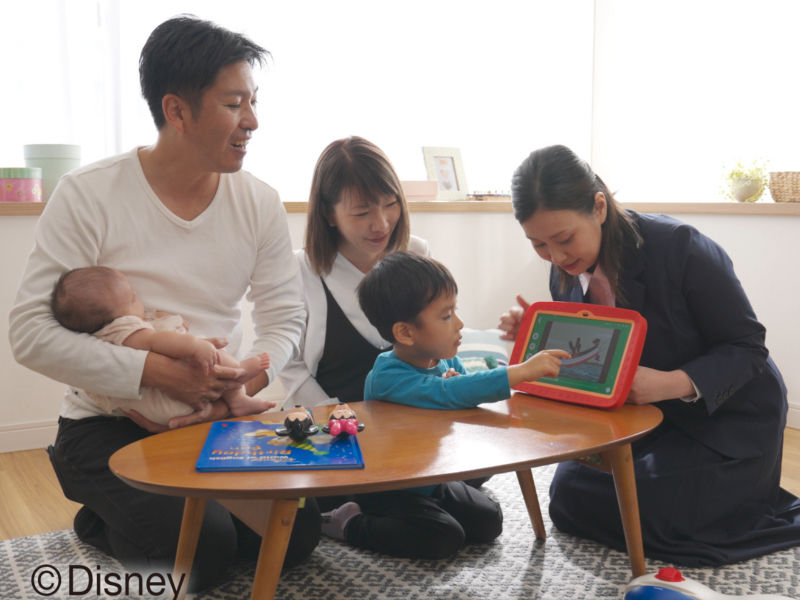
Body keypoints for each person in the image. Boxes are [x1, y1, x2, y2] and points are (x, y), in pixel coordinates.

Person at [8, 16, 318, 591]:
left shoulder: (259, 202)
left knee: (297, 534)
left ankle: (149, 508)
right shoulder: (89, 193)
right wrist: (159, 373)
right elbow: (30, 333)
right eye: (234, 104)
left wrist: (238, 384)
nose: (252, 121)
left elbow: (284, 315)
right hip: (107, 424)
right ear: (176, 110)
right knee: (202, 555)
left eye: (253, 102)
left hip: (212, 414)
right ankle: (98, 512)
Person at [498, 144, 800, 566]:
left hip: (728, 417)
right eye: (539, 245)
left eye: (564, 239)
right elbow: (591, 351)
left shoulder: (681, 248)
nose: (557, 257)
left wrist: (669, 383)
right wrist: (536, 331)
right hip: (650, 419)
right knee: (567, 497)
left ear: (599, 207)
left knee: (651, 509)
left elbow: (747, 347)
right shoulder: (564, 268)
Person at [301, 251, 565, 560]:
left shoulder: (445, 360)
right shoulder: (387, 377)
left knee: (489, 520)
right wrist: (518, 372)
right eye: (446, 316)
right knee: (442, 538)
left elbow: (462, 393)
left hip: (433, 477)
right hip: (390, 487)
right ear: (405, 332)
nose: (460, 324)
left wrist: (461, 388)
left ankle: (429, 510)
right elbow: (448, 392)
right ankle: (349, 522)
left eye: (455, 311)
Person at [278, 136, 430, 408]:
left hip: (413, 417)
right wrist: (337, 417)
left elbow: (437, 338)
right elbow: (292, 368)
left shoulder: (416, 253)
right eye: (361, 213)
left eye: (390, 204)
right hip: (329, 422)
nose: (381, 224)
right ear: (328, 214)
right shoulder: (300, 270)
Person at [51, 266, 273, 428]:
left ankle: (228, 398)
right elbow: (156, 341)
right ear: (117, 316)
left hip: (161, 412)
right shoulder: (127, 329)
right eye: (133, 299)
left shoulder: (104, 332)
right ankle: (238, 387)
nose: (139, 300)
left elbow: (147, 325)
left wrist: (166, 319)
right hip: (174, 404)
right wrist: (195, 346)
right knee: (214, 354)